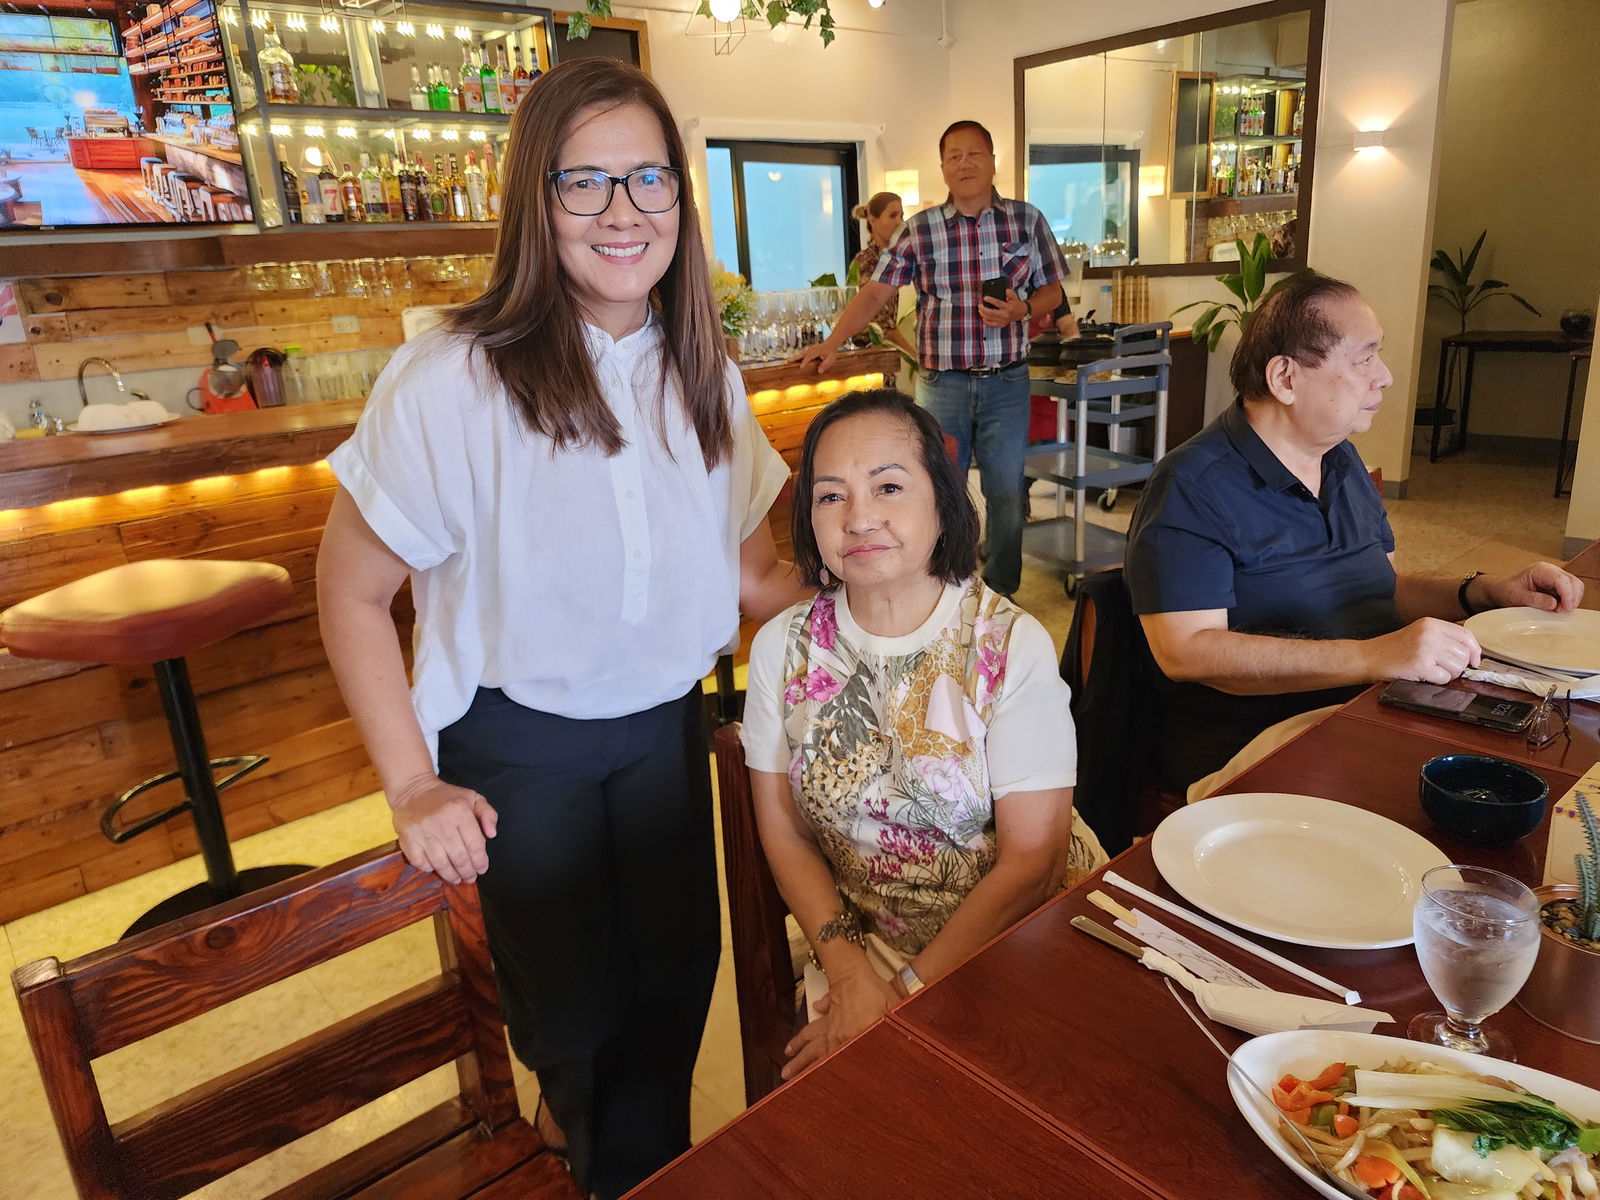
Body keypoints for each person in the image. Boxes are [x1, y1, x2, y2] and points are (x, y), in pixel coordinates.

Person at [316, 58, 804, 1200]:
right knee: (570, 1023)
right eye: (584, 184)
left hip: (666, 732)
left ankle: (643, 1172)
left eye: (647, 180)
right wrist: (409, 786)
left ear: (682, 201)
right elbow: (348, 590)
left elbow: (748, 572)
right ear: (535, 203)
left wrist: (893, 592)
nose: (623, 213)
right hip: (517, 742)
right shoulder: (450, 376)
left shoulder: (703, 368)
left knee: (677, 984)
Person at [741, 388, 1106, 1080]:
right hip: (865, 944)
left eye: (888, 486)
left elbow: (1033, 859)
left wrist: (901, 997)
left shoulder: (1006, 642)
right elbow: (783, 831)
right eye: (830, 496)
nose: (859, 518)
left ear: (942, 502)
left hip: (1024, 935)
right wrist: (851, 975)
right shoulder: (783, 649)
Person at [1125, 271, 1585, 799]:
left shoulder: (1337, 456)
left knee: (1541, 767)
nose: (1384, 376)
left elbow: (1379, 588)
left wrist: (1480, 591)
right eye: (1364, 358)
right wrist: (1374, 655)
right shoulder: (1192, 485)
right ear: (1286, 379)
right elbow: (1188, 652)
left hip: (1373, 704)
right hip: (1260, 743)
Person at [797, 120, 1070, 598]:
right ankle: (950, 587)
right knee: (936, 492)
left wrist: (1022, 309)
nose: (965, 163)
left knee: (1006, 493)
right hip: (942, 385)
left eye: (974, 153)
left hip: (1007, 382)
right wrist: (833, 340)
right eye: (954, 156)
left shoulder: (1027, 220)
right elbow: (876, 292)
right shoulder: (919, 230)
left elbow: (1052, 291)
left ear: (991, 159)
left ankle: (1002, 593)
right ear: (943, 166)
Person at [847, 190, 916, 357]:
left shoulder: (891, 257)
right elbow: (881, 324)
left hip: (885, 354)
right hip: (869, 356)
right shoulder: (868, 261)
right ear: (872, 219)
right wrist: (915, 357)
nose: (900, 222)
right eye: (892, 216)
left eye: (901, 215)